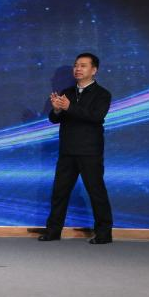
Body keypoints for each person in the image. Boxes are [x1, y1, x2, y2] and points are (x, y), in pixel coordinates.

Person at [39, 53, 113, 244]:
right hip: (67, 150)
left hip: (90, 151)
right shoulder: (67, 92)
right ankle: (53, 231)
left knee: (96, 192)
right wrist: (57, 109)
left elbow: (96, 117)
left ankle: (104, 233)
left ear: (94, 70)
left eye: (83, 65)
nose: (78, 69)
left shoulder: (102, 94)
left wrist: (69, 107)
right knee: (59, 192)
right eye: (76, 65)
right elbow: (54, 119)